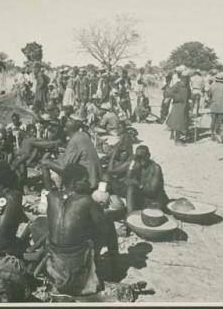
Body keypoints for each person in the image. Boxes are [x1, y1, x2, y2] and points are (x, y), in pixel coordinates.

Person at [46, 163, 119, 296]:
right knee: (107, 222)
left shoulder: (51, 197)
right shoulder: (87, 201)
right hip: (74, 266)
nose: (89, 183)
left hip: (54, 263)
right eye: (85, 180)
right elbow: (102, 229)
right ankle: (115, 269)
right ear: (74, 183)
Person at [40, 117, 102, 191]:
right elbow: (79, 153)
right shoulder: (83, 135)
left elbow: (65, 168)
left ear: (66, 129)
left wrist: (53, 160)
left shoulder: (73, 141)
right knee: (57, 160)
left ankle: (49, 192)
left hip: (87, 179)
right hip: (95, 176)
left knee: (44, 162)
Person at [124, 145, 169, 214]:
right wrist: (132, 163)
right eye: (139, 157)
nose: (141, 159)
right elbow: (127, 180)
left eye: (143, 157)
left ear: (148, 155)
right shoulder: (137, 165)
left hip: (156, 200)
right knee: (130, 188)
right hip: (144, 198)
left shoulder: (155, 168)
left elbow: (152, 191)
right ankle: (130, 215)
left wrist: (138, 184)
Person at [166, 70, 191, 145]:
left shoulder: (187, 86)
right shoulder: (177, 85)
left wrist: (192, 97)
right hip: (178, 107)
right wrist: (178, 97)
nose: (186, 80)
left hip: (184, 107)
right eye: (184, 78)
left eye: (187, 78)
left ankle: (174, 137)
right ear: (182, 78)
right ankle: (177, 141)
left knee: (180, 123)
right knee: (178, 123)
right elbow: (169, 92)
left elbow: (188, 94)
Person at [207, 72, 223, 140]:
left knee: (213, 121)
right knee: (221, 121)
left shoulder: (212, 86)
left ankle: (212, 134)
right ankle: (219, 135)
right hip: (222, 106)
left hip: (214, 105)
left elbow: (209, 95)